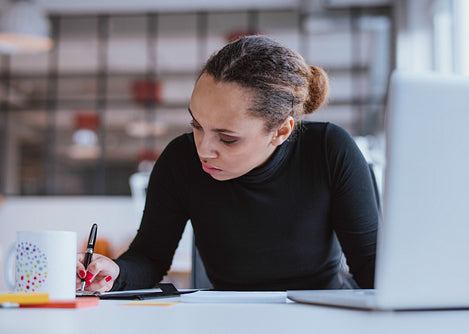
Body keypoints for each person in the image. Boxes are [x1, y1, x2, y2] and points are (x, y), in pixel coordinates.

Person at [76, 35, 379, 292]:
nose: (204, 149)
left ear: (281, 131)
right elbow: (150, 258)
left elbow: (371, 265)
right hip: (225, 316)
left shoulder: (329, 149)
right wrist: (115, 272)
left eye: (228, 138)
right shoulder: (180, 160)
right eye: (197, 126)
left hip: (320, 317)